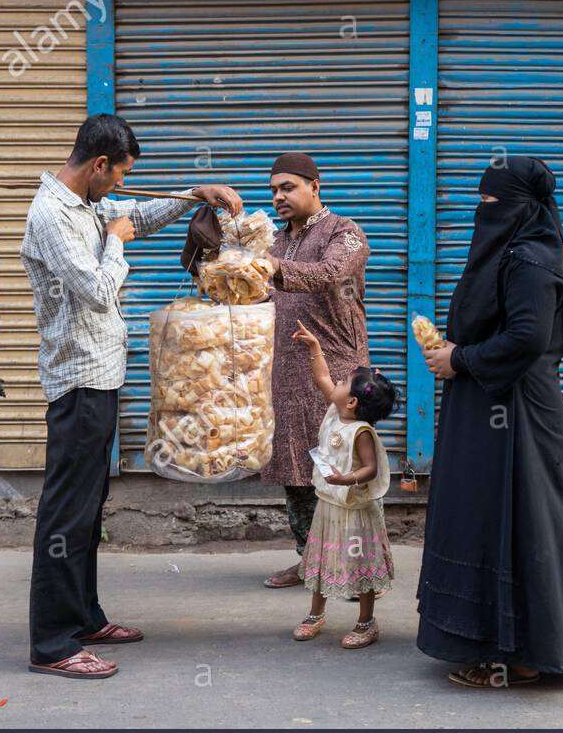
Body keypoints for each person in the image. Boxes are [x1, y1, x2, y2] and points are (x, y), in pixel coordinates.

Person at [21, 114, 242, 680]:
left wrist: (193, 194)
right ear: (99, 166)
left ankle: (84, 617)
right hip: (77, 380)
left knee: (88, 510)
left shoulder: (84, 205)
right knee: (66, 513)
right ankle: (51, 643)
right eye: (119, 175)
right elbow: (96, 290)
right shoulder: (51, 216)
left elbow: (132, 218)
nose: (121, 185)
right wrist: (115, 243)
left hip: (101, 374)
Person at [416, 156, 563, 687]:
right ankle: (492, 639)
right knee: (489, 516)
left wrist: (461, 359)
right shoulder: (517, 252)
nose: (482, 210)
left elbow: (525, 337)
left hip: (517, 413)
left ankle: (521, 655)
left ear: (518, 206)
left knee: (521, 518)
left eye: (489, 201)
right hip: (489, 406)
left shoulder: (530, 259)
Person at [259, 152, 372, 590]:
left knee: (336, 465)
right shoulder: (273, 239)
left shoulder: (344, 233)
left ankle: (352, 560)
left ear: (314, 187)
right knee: (294, 469)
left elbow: (329, 274)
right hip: (284, 370)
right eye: (273, 190)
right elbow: (257, 289)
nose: (278, 196)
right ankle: (309, 557)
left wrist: (273, 267)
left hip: (337, 369)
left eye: (287, 187)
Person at [288, 320, 397, 649]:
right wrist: (315, 348)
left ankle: (366, 622)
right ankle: (315, 614)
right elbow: (321, 375)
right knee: (321, 561)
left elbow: (370, 468)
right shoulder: (336, 410)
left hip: (354, 511)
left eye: (343, 381)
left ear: (353, 402)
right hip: (329, 506)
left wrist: (345, 478)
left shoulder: (361, 432)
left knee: (361, 567)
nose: (335, 380)